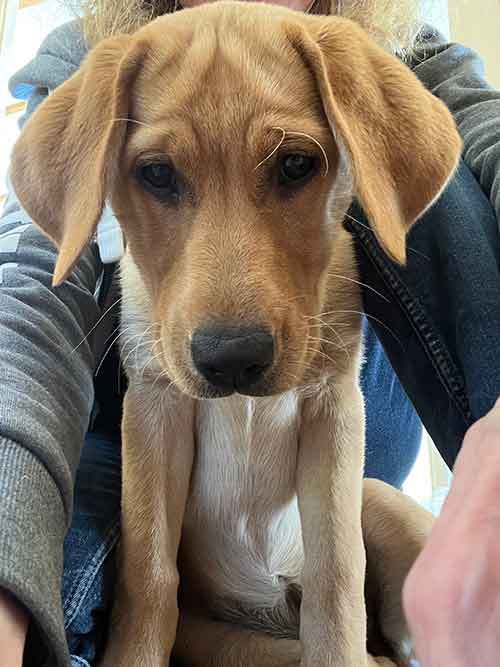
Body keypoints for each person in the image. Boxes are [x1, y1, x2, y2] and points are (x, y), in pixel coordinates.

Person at [0, 0, 498, 665]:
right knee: (75, 563)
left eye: (293, 166)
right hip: (196, 567)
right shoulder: (102, 63)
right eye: (159, 174)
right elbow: (27, 296)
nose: (231, 305)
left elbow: (489, 139)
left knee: (453, 175)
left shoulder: (404, 58)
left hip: (340, 515)